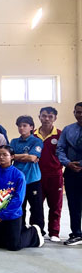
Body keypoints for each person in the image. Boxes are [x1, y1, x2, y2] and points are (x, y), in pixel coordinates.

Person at [0, 145, 44, 251]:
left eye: (5, 155)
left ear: (12, 157)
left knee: (14, 246)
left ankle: (33, 232)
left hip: (12, 215)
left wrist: (2, 215)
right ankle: (19, 231)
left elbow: (18, 199)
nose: (1, 157)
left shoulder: (18, 175)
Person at [10, 115, 44, 235]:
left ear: (31, 127)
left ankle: (38, 232)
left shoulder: (37, 141)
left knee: (36, 207)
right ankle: (20, 230)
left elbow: (32, 158)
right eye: (19, 126)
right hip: (18, 180)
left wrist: (15, 156)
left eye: (24, 125)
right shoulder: (14, 141)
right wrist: (25, 156)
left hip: (32, 179)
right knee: (19, 206)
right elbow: (8, 157)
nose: (21, 128)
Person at [34, 106, 63, 242]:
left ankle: (54, 232)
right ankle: (37, 231)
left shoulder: (60, 134)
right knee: (36, 206)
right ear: (39, 117)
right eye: (44, 116)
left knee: (55, 205)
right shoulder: (33, 135)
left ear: (55, 118)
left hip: (55, 176)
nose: (46, 119)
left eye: (50, 116)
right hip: (36, 176)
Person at [58, 102, 82, 246]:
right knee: (73, 204)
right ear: (74, 113)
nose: (81, 115)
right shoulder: (68, 130)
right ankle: (76, 233)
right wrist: (67, 163)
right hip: (71, 170)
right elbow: (60, 148)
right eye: (78, 112)